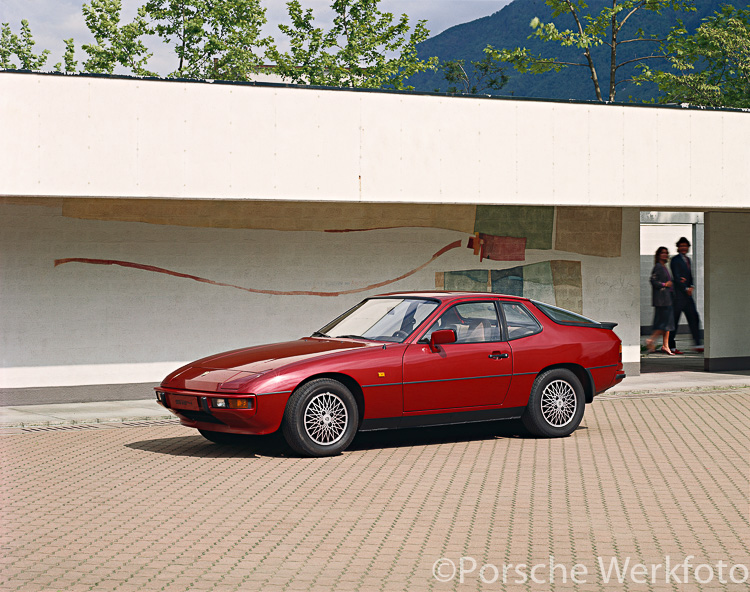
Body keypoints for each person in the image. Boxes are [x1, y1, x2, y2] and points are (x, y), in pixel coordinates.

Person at [668, 237, 703, 354]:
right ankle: (671, 346)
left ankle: (697, 343)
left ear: (688, 247)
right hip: (678, 297)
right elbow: (677, 277)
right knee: (674, 321)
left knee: (694, 317)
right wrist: (685, 288)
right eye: (681, 246)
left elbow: (689, 277)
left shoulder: (688, 260)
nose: (683, 248)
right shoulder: (675, 260)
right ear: (678, 247)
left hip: (687, 297)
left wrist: (691, 285)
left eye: (685, 246)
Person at [646, 246, 675, 355]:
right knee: (664, 324)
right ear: (658, 255)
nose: (665, 255)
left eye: (666, 253)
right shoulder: (658, 267)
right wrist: (664, 284)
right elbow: (653, 281)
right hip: (662, 300)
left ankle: (665, 345)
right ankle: (651, 340)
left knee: (667, 324)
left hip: (667, 299)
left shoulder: (663, 266)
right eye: (663, 253)